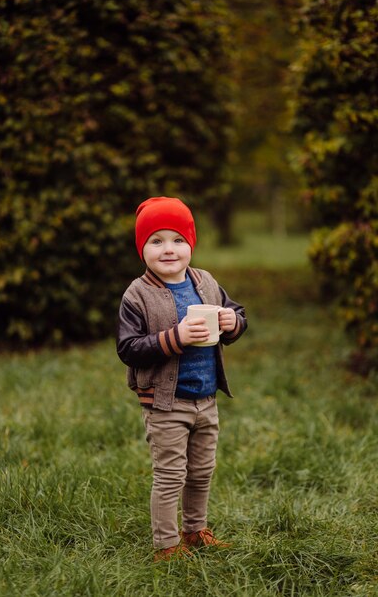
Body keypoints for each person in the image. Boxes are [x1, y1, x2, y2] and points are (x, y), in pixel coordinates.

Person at [116, 196, 247, 562]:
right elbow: (128, 348)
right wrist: (176, 338)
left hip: (206, 399)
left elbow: (236, 312)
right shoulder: (136, 295)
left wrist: (231, 322)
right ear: (142, 248)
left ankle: (194, 530)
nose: (168, 249)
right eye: (156, 241)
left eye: (177, 239)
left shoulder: (205, 282)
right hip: (164, 402)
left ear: (191, 244)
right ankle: (166, 544)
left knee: (202, 470)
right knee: (171, 474)